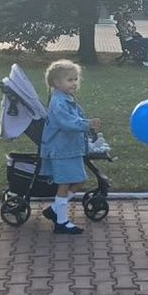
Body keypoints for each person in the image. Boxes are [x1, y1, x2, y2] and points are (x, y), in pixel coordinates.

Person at [39, 59, 101, 234]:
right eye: (69, 80)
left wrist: (87, 125)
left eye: (75, 79)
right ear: (56, 83)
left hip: (70, 149)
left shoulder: (66, 98)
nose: (74, 83)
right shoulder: (58, 103)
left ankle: (55, 209)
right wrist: (87, 124)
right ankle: (61, 222)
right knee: (65, 184)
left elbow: (75, 119)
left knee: (80, 180)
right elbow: (67, 122)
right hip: (62, 150)